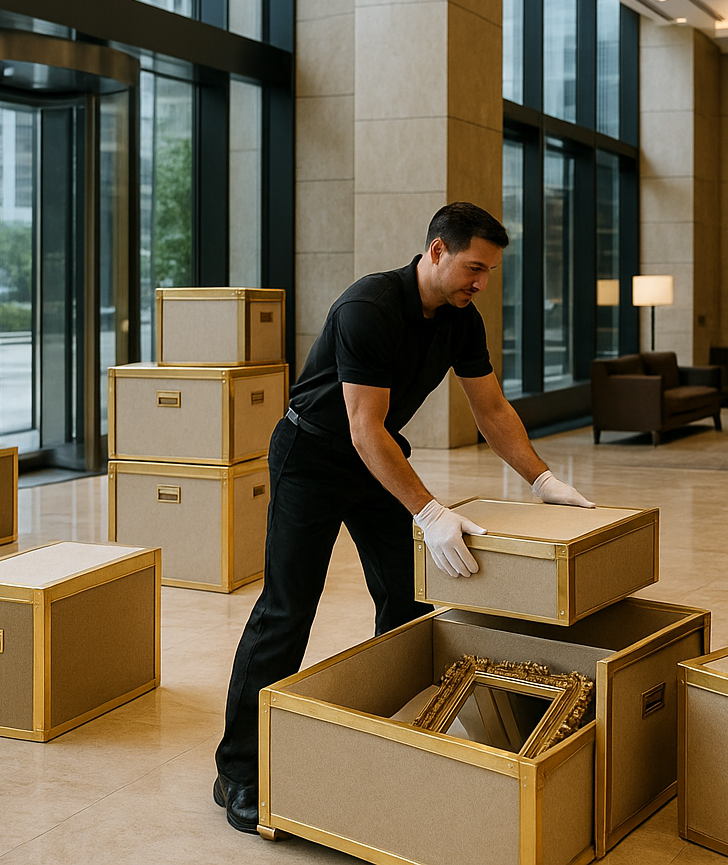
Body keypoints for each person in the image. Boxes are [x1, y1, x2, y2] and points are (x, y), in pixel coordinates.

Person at [213, 202, 595, 833]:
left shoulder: (460, 318)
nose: (482, 282)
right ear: (437, 251)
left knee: (407, 601)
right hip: (312, 457)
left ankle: (389, 735)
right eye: (474, 268)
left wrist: (544, 480)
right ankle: (238, 770)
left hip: (378, 458)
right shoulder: (369, 307)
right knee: (287, 610)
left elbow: (491, 410)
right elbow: (363, 428)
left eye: (490, 272)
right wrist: (429, 511)